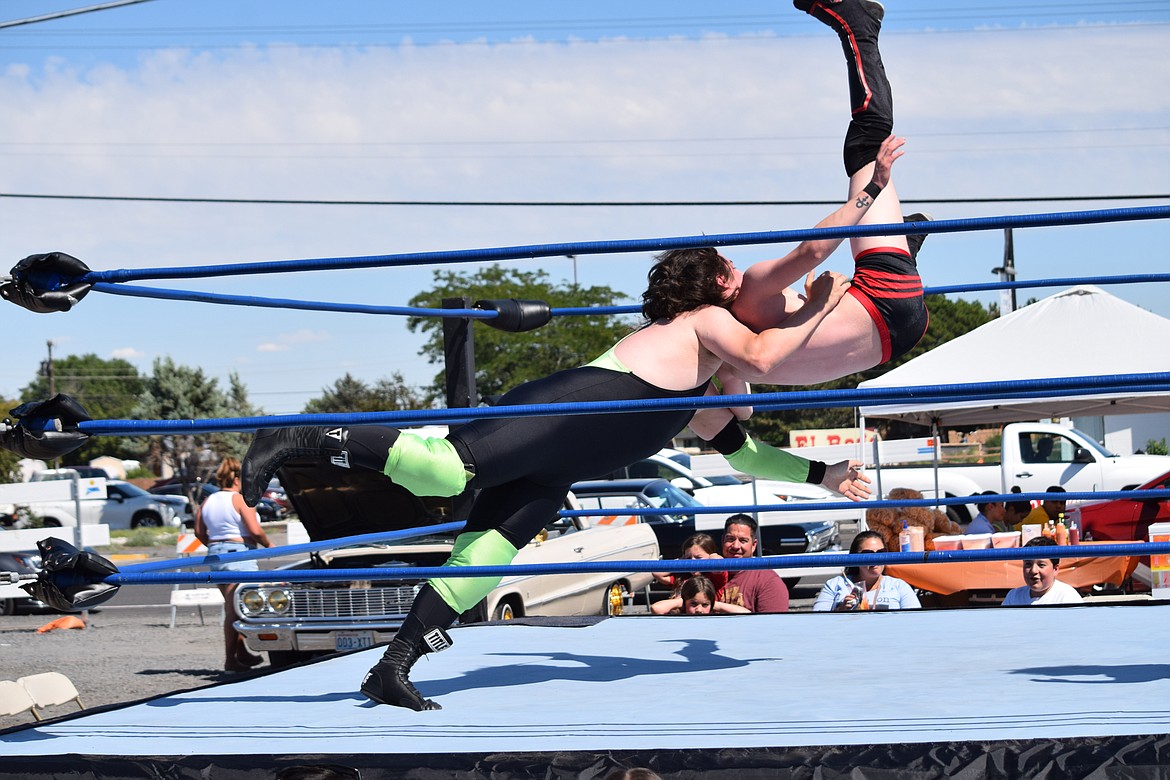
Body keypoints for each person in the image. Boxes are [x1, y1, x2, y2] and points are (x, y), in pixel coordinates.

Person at [690, 0, 930, 447]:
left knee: (870, 251)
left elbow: (743, 410)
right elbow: (814, 249)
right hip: (884, 295)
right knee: (866, 141)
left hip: (897, 338)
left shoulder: (724, 352)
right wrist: (872, 189)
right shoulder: (752, 289)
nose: (736, 266)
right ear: (721, 282)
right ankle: (858, 25)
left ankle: (904, 243)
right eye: (728, 265)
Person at [193, 457, 273, 673]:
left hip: (216, 555)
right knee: (235, 610)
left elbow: (199, 531)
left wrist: (215, 545)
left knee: (234, 607)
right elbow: (254, 530)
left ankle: (242, 654)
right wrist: (269, 545)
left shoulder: (208, 501)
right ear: (238, 478)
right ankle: (230, 661)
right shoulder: (239, 499)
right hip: (238, 555)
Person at [813, 530, 921, 611]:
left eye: (881, 552)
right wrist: (840, 610)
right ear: (855, 557)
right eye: (868, 553)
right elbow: (818, 622)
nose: (875, 558)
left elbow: (915, 622)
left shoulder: (899, 586)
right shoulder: (835, 585)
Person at [715, 514, 789, 613]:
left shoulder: (768, 581)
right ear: (722, 540)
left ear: (754, 545)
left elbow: (773, 625)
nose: (736, 546)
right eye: (730, 539)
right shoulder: (707, 573)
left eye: (743, 540)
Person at [1002, 537, 1084, 606]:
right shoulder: (1013, 597)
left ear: (1055, 569)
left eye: (1041, 565)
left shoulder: (1067, 597)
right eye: (1028, 564)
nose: (1033, 571)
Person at [651, 533, 729, 594]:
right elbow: (656, 572)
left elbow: (719, 563)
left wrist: (712, 556)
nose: (692, 562)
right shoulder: (683, 577)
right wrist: (680, 561)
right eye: (688, 558)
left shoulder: (714, 577)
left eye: (698, 557)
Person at [651, 575, 751, 615]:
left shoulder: (713, 620)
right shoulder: (679, 619)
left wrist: (715, 605)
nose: (699, 610)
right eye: (693, 604)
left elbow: (746, 614)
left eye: (705, 605)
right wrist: (681, 601)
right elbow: (656, 608)